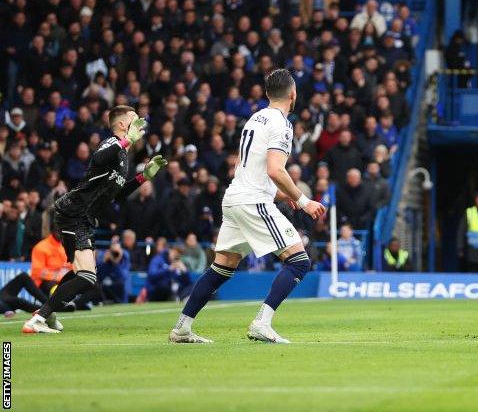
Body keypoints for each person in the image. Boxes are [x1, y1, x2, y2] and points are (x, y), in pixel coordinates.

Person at [169, 70, 326, 344]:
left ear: (267, 94)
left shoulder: (255, 118)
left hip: (234, 199)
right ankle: (261, 323)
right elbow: (276, 170)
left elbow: (254, 170)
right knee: (299, 261)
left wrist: (280, 195)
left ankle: (182, 327)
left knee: (222, 268)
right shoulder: (282, 123)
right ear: (293, 94)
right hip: (252, 202)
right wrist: (303, 200)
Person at [23, 106, 168, 334]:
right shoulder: (112, 143)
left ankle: (46, 313)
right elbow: (99, 156)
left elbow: (117, 194)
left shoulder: (122, 156)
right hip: (74, 212)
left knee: (81, 273)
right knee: (87, 276)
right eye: (134, 121)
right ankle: (37, 320)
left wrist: (142, 177)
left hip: (86, 218)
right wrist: (126, 141)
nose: (139, 125)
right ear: (122, 125)